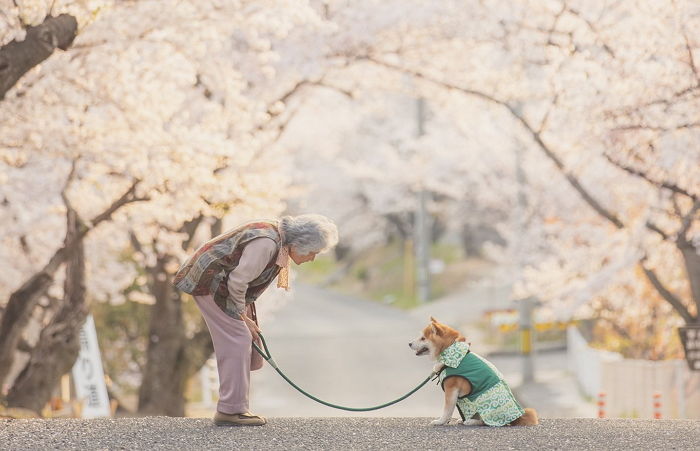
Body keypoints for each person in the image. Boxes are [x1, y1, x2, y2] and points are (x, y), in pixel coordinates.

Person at [173, 214, 338, 426]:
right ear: (299, 244)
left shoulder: (279, 241)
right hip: (212, 282)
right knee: (238, 339)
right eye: (313, 252)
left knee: (244, 338)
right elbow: (238, 282)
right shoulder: (267, 243)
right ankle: (230, 411)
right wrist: (242, 317)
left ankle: (237, 407)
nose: (312, 258)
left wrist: (246, 318)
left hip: (224, 285)